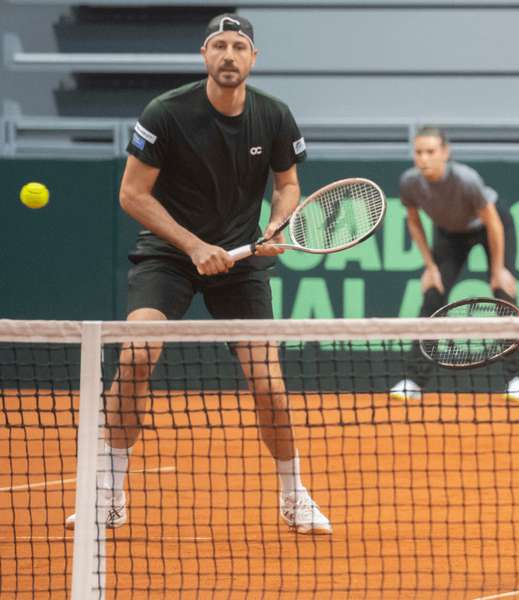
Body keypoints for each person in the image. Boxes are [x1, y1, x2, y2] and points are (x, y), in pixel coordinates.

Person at [64, 13, 331, 535]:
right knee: (138, 353)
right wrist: (193, 245)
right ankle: (109, 494)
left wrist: (276, 223)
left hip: (242, 262)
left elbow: (287, 184)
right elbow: (131, 195)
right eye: (218, 45)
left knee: (270, 387)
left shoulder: (275, 116)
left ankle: (293, 494)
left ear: (253, 58)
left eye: (239, 46)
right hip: (169, 253)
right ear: (204, 56)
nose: (229, 55)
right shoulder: (165, 113)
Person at [388, 127, 519, 402]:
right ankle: (413, 381)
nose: (424, 159)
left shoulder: (466, 180)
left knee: (504, 296)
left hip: (489, 226)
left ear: (445, 152)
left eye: (430, 152)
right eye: (418, 152)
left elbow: (493, 222)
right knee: (432, 296)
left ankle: (517, 379)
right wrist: (430, 267)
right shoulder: (409, 182)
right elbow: (413, 221)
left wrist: (499, 269)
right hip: (449, 234)